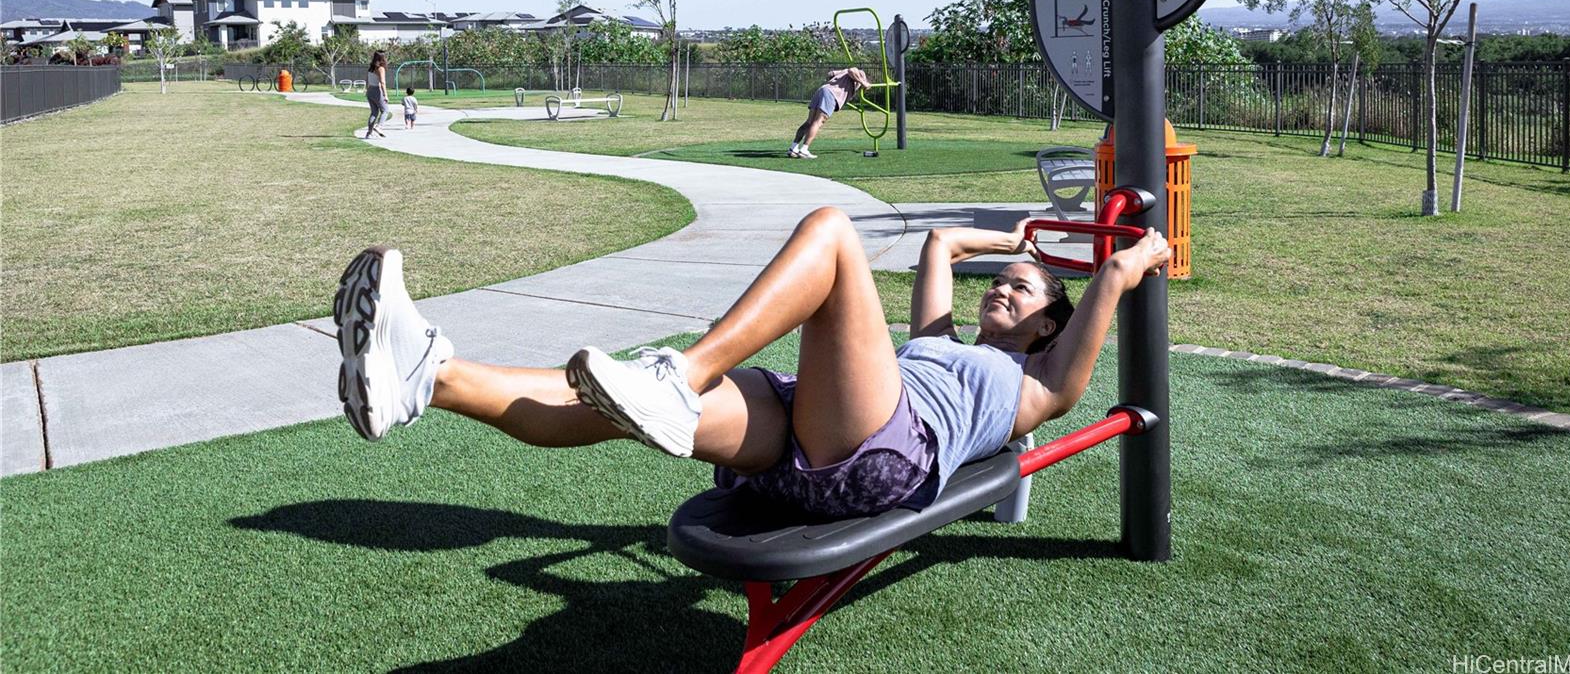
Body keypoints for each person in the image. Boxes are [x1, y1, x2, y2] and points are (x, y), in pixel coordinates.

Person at [334, 207, 1171, 521]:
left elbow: (1109, 284)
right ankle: (426, 377)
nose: (1006, 293)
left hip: (885, 455)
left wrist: (1132, 258)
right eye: (1004, 286)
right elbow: (941, 243)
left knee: (834, 233)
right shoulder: (942, 342)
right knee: (601, 400)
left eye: (1024, 294)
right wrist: (1016, 239)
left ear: (1048, 327)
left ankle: (682, 377)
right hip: (819, 425)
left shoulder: (1035, 386)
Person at [789, 67, 870, 159]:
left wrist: (836, 82)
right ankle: (804, 149)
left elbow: (830, 74)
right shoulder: (861, 74)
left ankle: (793, 148)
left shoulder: (843, 73)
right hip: (831, 93)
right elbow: (852, 70)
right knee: (818, 122)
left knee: (809, 122)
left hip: (823, 90)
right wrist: (864, 82)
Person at [363, 51, 389, 139]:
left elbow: (367, 79)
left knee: (374, 112)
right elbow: (382, 82)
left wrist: (366, 89)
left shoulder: (371, 67)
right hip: (376, 90)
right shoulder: (380, 68)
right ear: (382, 58)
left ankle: (369, 133)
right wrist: (385, 95)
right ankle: (379, 127)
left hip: (370, 90)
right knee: (385, 110)